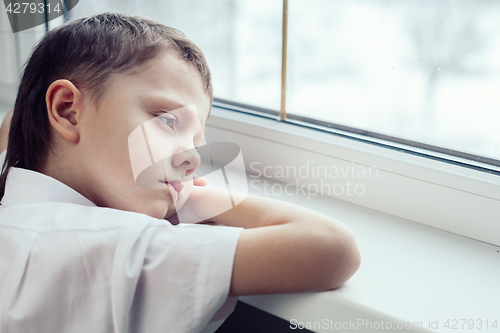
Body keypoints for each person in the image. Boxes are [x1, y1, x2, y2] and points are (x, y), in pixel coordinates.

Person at [0, 13, 360, 333]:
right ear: (67, 111)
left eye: (197, 140)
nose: (193, 159)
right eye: (168, 120)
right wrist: (198, 197)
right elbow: (331, 247)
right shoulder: (124, 249)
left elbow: (14, 123)